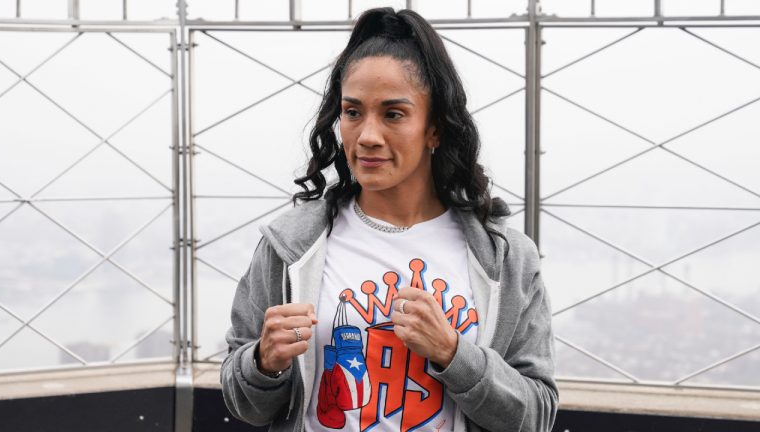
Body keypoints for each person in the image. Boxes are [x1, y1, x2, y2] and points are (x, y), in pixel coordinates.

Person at [221, 7, 557, 432]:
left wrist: (454, 353)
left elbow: (536, 416)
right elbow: (244, 404)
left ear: (434, 128)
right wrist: (262, 362)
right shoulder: (290, 246)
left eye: (393, 114)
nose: (368, 136)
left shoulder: (505, 259)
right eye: (353, 112)